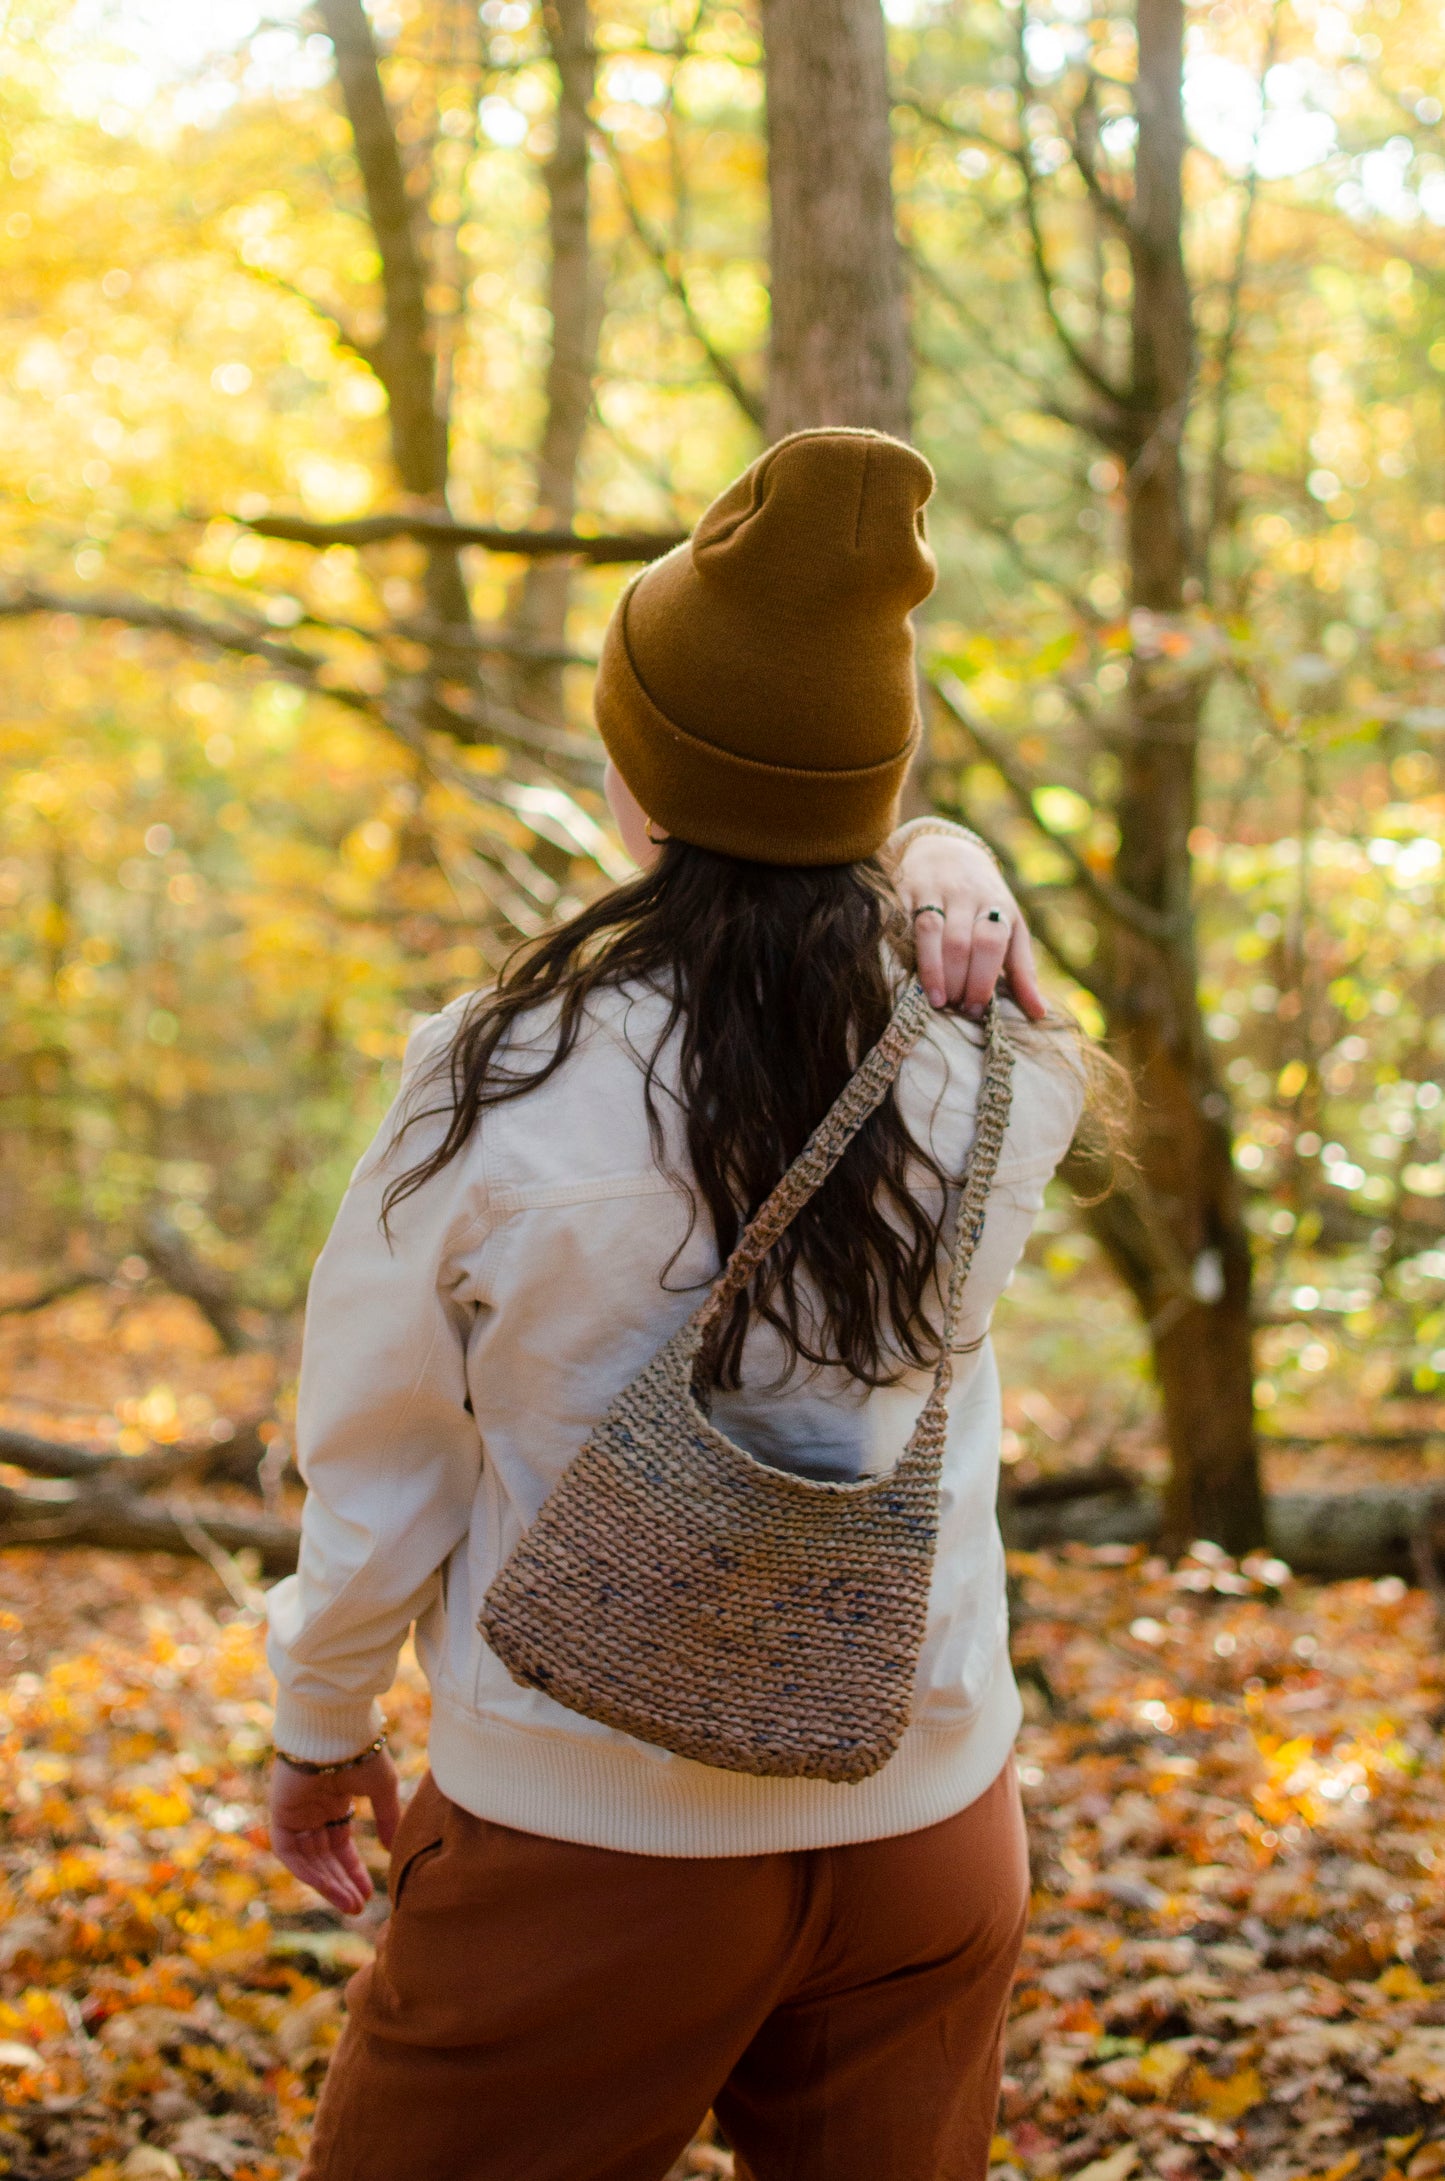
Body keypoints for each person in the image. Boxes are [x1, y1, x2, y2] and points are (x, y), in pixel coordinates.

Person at [266, 429, 1095, 2181]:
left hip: (589, 1834)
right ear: (873, 781)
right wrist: (940, 844)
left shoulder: (498, 1076)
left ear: (634, 765)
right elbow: (918, 913)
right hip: (929, 1818)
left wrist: (317, 1725)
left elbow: (384, 1458)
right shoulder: (991, 1052)